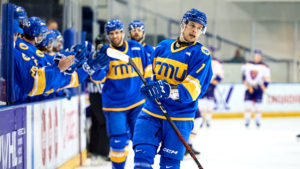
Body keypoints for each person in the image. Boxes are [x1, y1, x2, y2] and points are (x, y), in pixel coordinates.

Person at [133, 8, 213, 169]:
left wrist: (167, 90)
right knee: (141, 161)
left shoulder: (202, 55)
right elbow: (153, 76)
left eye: (199, 28)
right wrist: (149, 86)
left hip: (179, 117)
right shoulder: (163, 46)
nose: (195, 30)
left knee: (169, 166)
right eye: (192, 25)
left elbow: (193, 89)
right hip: (151, 112)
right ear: (183, 24)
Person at [90, 19, 152, 169]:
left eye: (117, 32)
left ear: (123, 33)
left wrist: (150, 91)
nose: (115, 36)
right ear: (108, 35)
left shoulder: (136, 47)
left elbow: (148, 70)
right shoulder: (106, 52)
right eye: (111, 34)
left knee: (142, 140)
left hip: (137, 102)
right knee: (118, 141)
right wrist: (96, 66)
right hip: (115, 105)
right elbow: (98, 78)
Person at [242, 50, 271, 127]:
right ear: (254, 56)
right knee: (247, 106)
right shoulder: (247, 64)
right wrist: (248, 86)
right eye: (256, 56)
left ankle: (257, 120)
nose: (257, 57)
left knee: (258, 107)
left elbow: (267, 79)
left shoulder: (265, 66)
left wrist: (264, 86)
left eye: (259, 56)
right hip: (249, 88)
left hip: (259, 89)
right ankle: (247, 120)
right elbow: (244, 76)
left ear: (261, 57)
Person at [198, 46, 224, 127]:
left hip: (211, 85)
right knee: (201, 103)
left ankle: (208, 120)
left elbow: (220, 74)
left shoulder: (217, 62)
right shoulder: (201, 59)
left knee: (210, 103)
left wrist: (216, 81)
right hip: (202, 84)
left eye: (209, 51)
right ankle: (202, 120)